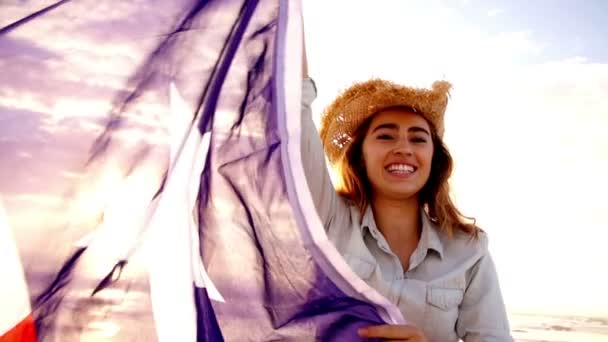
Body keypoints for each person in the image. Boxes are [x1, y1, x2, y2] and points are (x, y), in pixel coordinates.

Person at [300, 43, 513, 341]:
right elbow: (295, 107)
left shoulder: (468, 250)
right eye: (385, 135)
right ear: (360, 155)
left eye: (418, 139)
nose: (403, 148)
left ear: (434, 158)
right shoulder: (329, 219)